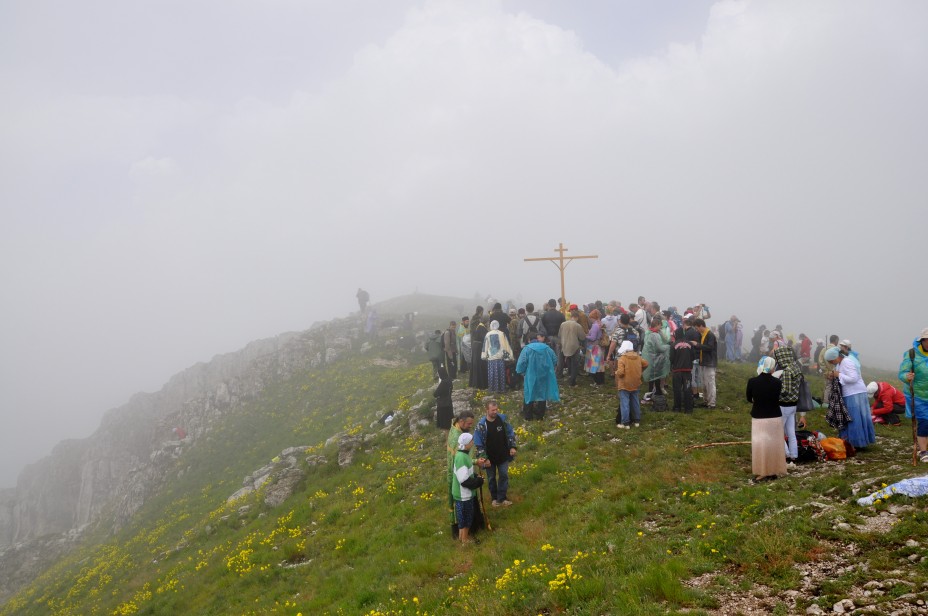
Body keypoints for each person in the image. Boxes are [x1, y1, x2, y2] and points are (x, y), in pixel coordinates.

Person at [824, 346, 876, 449]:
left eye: (831, 361)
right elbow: (841, 375)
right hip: (849, 393)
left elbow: (854, 378)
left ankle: (856, 442)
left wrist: (839, 375)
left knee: (854, 418)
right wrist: (833, 375)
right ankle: (849, 441)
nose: (831, 363)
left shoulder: (847, 362)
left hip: (855, 393)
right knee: (849, 417)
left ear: (836, 357)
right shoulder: (840, 363)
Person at [746, 356, 787, 481]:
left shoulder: (752, 381)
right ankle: (773, 469)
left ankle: (763, 471)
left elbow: (749, 398)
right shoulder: (778, 382)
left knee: (761, 446)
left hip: (759, 418)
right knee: (774, 445)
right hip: (775, 417)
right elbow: (779, 397)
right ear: (772, 367)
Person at [446, 411, 486, 539]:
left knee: (467, 508)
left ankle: (467, 534)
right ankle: (465, 537)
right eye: (469, 424)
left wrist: (475, 462)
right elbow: (459, 463)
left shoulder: (459, 432)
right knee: (464, 512)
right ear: (461, 421)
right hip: (460, 482)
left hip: (464, 472)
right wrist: (477, 480)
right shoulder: (456, 438)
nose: (470, 426)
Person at [473, 399, 518, 507]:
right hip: (489, 458)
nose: (495, 412)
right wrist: (485, 458)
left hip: (503, 455)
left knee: (504, 475)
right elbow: (478, 444)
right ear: (487, 410)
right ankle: (494, 498)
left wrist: (512, 447)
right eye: (492, 410)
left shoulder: (503, 420)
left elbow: (510, 433)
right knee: (491, 478)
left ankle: (502, 498)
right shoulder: (481, 425)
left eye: (496, 409)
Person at [516, 331, 560, 420]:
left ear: (529, 340)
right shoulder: (546, 348)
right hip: (544, 374)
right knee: (542, 393)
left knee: (529, 393)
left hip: (530, 375)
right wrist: (548, 367)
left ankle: (528, 415)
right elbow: (555, 359)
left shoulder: (526, 349)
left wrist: (521, 371)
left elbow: (521, 363)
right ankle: (540, 415)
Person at [899, 328, 928, 462]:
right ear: (922, 341)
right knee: (924, 421)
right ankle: (923, 451)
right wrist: (907, 377)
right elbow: (902, 373)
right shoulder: (912, 354)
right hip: (918, 396)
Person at [452, 433, 484, 545]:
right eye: (471, 441)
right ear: (466, 444)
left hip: (461, 494)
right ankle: (465, 541)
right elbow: (464, 480)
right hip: (463, 495)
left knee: (462, 518)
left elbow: (465, 472)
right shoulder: (462, 458)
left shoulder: (462, 455)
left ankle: (462, 538)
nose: (473, 443)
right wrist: (479, 481)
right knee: (466, 518)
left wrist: (474, 476)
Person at [774, 346, 802, 465]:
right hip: (793, 405)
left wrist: (774, 392)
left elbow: (785, 390)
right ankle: (794, 456)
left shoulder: (787, 371)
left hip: (784, 405)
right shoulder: (796, 367)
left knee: (778, 432)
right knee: (791, 433)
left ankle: (785, 454)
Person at [614, 340, 648, 429]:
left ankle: (625, 423)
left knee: (624, 403)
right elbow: (646, 364)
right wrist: (640, 371)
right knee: (635, 402)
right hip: (636, 382)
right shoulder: (638, 357)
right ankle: (637, 421)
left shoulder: (622, 359)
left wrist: (616, 372)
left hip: (624, 384)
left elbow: (621, 373)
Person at [691, 318, 718, 408]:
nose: (697, 330)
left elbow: (710, 347)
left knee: (710, 383)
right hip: (704, 362)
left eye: (697, 328)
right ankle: (706, 401)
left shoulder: (710, 335)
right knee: (704, 383)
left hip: (710, 362)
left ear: (701, 326)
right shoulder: (703, 335)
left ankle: (712, 403)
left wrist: (697, 345)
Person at [642, 315, 670, 399]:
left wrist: (660, 332)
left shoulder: (648, 333)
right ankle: (657, 392)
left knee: (651, 376)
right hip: (655, 359)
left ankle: (651, 392)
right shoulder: (655, 335)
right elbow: (659, 348)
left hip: (648, 358)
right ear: (657, 325)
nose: (661, 327)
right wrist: (668, 347)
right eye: (660, 325)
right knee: (656, 376)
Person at [482, 320, 514, 393]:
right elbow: (506, 345)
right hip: (500, 357)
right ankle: (501, 388)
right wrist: (509, 355)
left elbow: (485, 346)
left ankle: (492, 388)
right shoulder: (502, 334)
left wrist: (484, 355)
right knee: (500, 373)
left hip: (491, 357)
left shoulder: (488, 334)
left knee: (492, 373)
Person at [670, 328, 695, 413]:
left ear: (676, 335)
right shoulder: (690, 344)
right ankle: (688, 409)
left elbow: (671, 358)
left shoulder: (673, 345)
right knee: (687, 389)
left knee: (677, 389)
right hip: (687, 371)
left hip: (677, 371)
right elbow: (693, 356)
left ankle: (677, 408)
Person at [558, 310, 586, 387]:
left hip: (564, 345)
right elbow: (582, 337)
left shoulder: (563, 324)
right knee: (575, 364)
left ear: (571, 316)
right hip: (574, 346)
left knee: (567, 361)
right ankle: (572, 381)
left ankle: (568, 375)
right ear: (577, 317)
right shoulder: (578, 325)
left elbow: (559, 335)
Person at [584, 309, 606, 385]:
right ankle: (601, 381)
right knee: (600, 366)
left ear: (593, 318)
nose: (590, 319)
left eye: (590, 318)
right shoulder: (600, 324)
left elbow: (593, 338)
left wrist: (585, 336)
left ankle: (597, 381)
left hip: (593, 348)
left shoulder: (595, 326)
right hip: (599, 347)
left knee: (594, 365)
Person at [469, 310, 489, 390]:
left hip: (476, 346)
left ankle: (476, 382)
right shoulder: (481, 327)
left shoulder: (480, 326)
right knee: (480, 365)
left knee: (477, 365)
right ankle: (480, 383)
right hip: (479, 347)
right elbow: (485, 338)